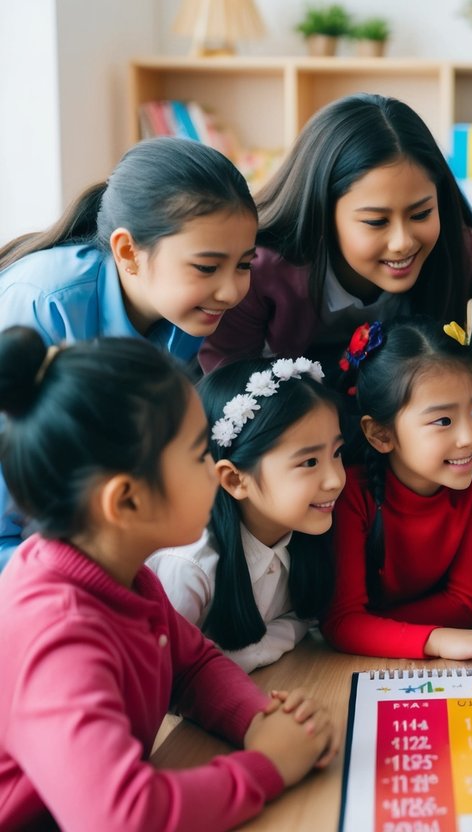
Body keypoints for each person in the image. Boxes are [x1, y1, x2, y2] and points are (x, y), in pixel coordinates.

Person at [0, 327, 336, 831]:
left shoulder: (123, 574)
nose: (215, 469)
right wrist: (267, 768)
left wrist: (257, 719)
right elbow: (121, 817)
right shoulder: (59, 631)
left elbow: (193, 663)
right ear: (126, 500)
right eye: (199, 454)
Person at [0, 137, 258, 568]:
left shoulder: (186, 313)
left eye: (245, 265)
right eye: (207, 267)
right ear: (127, 252)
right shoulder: (42, 304)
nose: (232, 291)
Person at [199, 93, 472, 373]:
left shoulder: (458, 253)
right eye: (376, 221)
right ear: (322, 212)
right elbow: (228, 392)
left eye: (421, 214)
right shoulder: (252, 271)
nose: (403, 242)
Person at [323, 317, 472, 664]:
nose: (469, 438)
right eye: (443, 421)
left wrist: (372, 629)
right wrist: (434, 640)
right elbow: (341, 622)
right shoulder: (349, 491)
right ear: (380, 434)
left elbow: (466, 603)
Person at [149, 356, 345, 672]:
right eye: (309, 462)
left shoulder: (304, 533)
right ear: (234, 479)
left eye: (337, 453)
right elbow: (169, 676)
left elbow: (302, 618)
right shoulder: (189, 567)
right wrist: (244, 656)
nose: (336, 479)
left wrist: (248, 653)